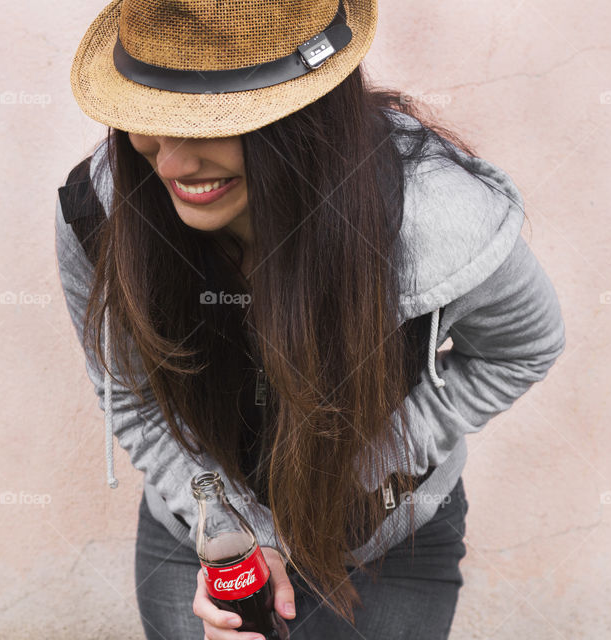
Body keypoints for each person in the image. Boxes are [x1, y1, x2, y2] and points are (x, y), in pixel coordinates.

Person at [55, 0, 567, 638]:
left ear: (306, 119)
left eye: (209, 126)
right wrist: (233, 531)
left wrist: (355, 480)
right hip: (199, 542)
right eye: (148, 122)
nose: (168, 166)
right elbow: (130, 396)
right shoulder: (100, 210)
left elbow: (524, 349)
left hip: (387, 547)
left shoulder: (441, 213)